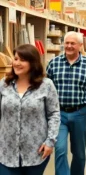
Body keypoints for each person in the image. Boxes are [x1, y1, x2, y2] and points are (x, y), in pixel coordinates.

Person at [0, 44, 60, 175]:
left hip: (35, 151)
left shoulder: (46, 85)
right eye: (16, 59)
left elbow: (54, 115)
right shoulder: (4, 84)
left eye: (23, 60)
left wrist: (50, 142)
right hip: (6, 152)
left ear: (33, 63)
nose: (17, 63)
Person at [46, 31, 86, 175]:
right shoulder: (53, 63)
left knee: (79, 153)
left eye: (73, 43)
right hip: (58, 114)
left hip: (80, 113)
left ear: (80, 46)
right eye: (67, 43)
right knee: (60, 150)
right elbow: (45, 90)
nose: (69, 46)